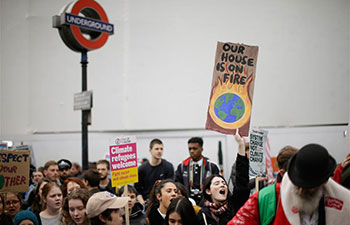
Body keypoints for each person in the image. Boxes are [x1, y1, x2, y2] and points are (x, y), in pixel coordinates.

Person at [228, 143, 350, 225]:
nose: (302, 191)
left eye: (309, 187)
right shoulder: (269, 197)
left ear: (323, 182)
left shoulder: (344, 203)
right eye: (298, 184)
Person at [197, 132, 250, 225]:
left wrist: (241, 145)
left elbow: (242, 181)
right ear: (208, 191)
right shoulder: (203, 214)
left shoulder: (235, 205)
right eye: (217, 183)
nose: (222, 185)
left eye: (224, 183)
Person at [175, 137, 220, 204]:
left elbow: (218, 185)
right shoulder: (182, 166)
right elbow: (177, 185)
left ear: (201, 149)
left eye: (195, 148)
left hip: (207, 202)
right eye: (190, 149)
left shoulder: (211, 166)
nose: (192, 151)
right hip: (187, 202)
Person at [135, 138, 174, 204]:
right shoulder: (142, 169)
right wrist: (143, 203)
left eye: (161, 149)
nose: (159, 151)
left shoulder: (168, 167)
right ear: (150, 150)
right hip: (147, 201)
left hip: (163, 201)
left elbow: (171, 187)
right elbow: (137, 190)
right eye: (156, 149)